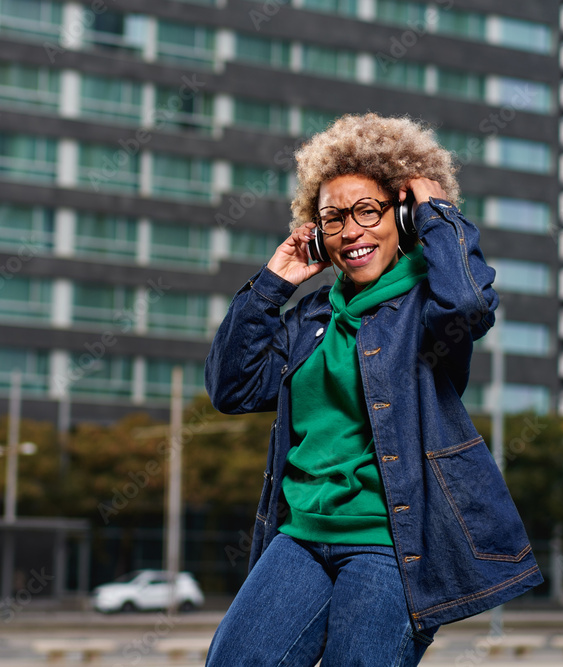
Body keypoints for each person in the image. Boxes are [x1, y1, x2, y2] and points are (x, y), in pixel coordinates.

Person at [204, 113, 542, 666]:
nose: (352, 231)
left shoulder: (429, 308)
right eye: (333, 218)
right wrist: (273, 282)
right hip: (301, 533)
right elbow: (232, 388)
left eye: (368, 211)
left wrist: (438, 214)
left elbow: (470, 305)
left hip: (391, 541)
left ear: (402, 216)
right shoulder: (312, 317)